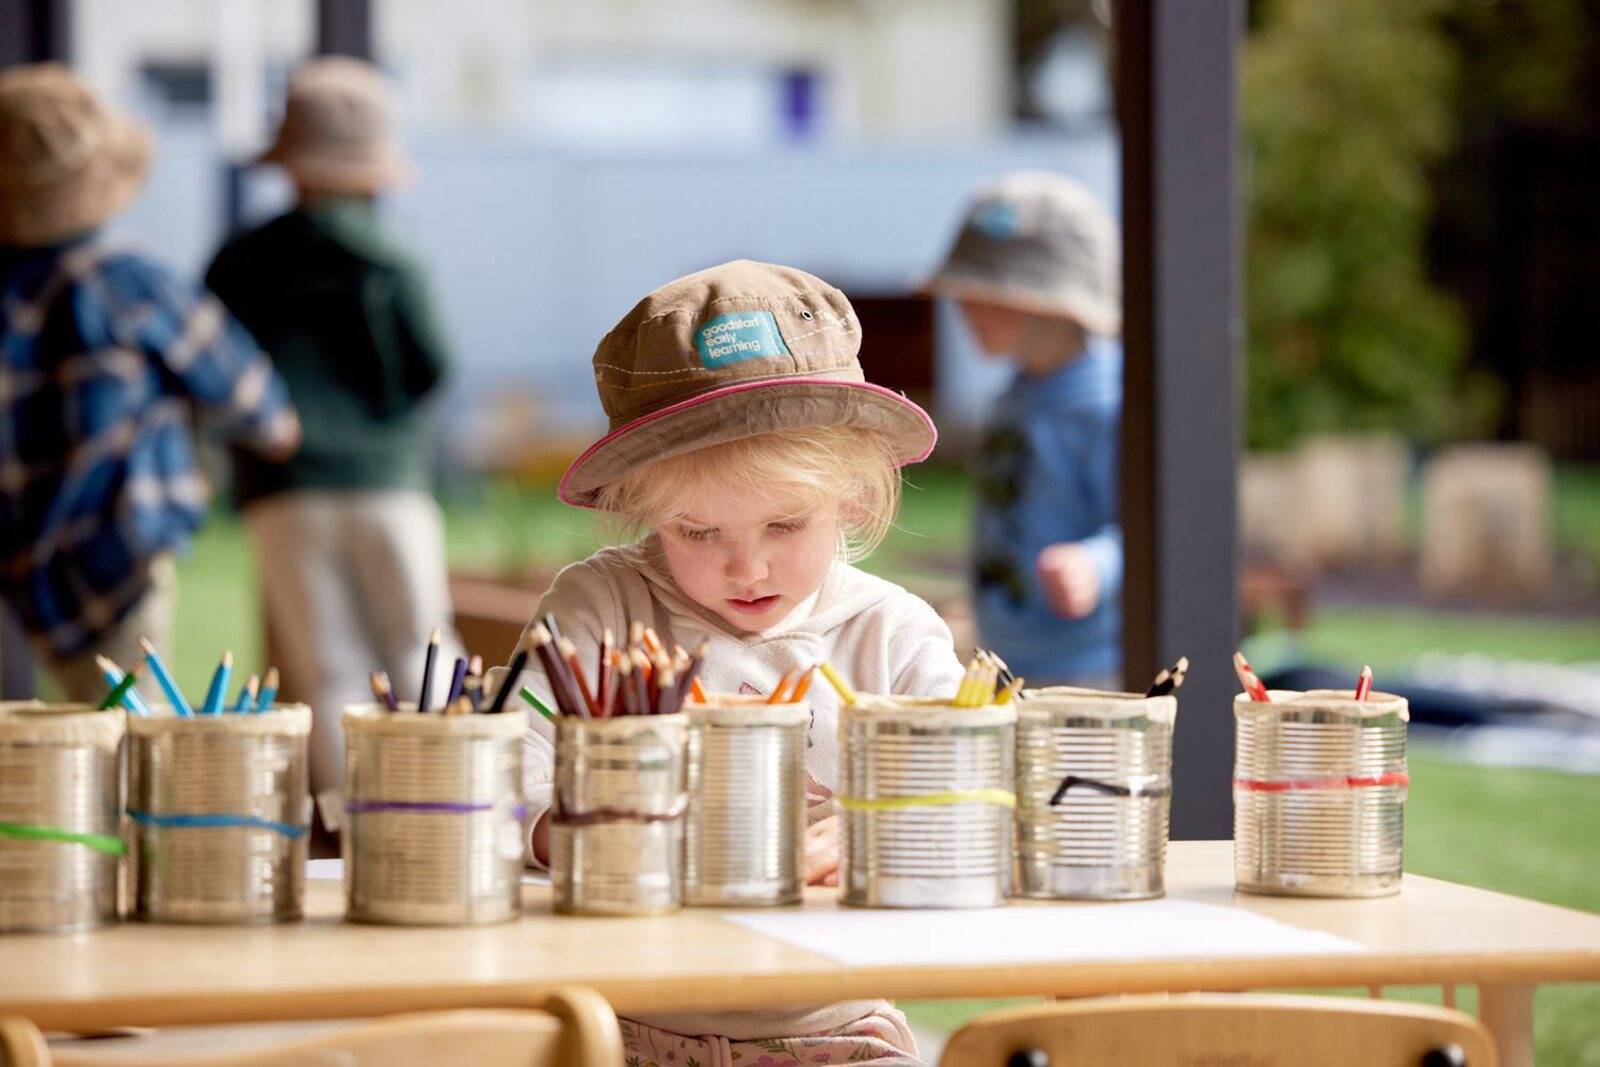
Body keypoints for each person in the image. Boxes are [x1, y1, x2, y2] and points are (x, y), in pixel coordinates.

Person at [503, 260, 963, 1065]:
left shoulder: (893, 634)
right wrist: (583, 835)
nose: (745, 570)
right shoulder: (601, 606)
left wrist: (879, 838)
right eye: (698, 532)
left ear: (852, 493)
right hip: (625, 1033)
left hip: (843, 1034)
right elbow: (495, 776)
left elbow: (979, 802)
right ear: (643, 508)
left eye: (785, 526)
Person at [0, 63, 299, 701]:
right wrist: (276, 428)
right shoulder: (127, 281)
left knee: (66, 734)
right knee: (132, 730)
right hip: (118, 550)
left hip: (26, 565)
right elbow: (244, 389)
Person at [205, 57, 460, 794]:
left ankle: (349, 823)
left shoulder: (243, 258)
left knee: (325, 667)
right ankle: (439, 798)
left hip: (284, 487)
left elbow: (214, 368)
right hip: (389, 481)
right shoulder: (395, 256)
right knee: (420, 648)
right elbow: (434, 362)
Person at [924, 171, 1124, 686]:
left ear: (1053, 302)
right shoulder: (1016, 396)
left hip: (1088, 669)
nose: (965, 312)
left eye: (989, 296)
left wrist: (1095, 567)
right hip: (1009, 657)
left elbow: (1150, 528)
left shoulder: (1106, 403)